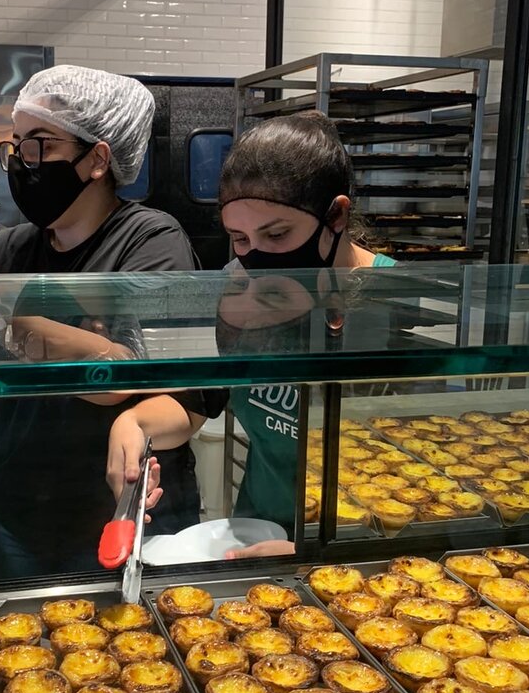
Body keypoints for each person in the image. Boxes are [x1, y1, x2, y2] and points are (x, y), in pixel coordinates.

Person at [0, 64, 201, 577]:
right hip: (20, 507)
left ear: (98, 159)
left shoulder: (151, 242)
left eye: (40, 144)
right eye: (17, 144)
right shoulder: (8, 249)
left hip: (120, 509)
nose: (22, 161)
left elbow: (129, 376)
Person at [106, 111, 396, 559]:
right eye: (239, 238)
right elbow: (206, 394)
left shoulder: (395, 303)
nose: (256, 258)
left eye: (277, 234)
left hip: (365, 548)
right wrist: (135, 423)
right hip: (256, 528)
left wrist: (318, 549)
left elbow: (430, 465)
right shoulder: (238, 289)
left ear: (336, 216)